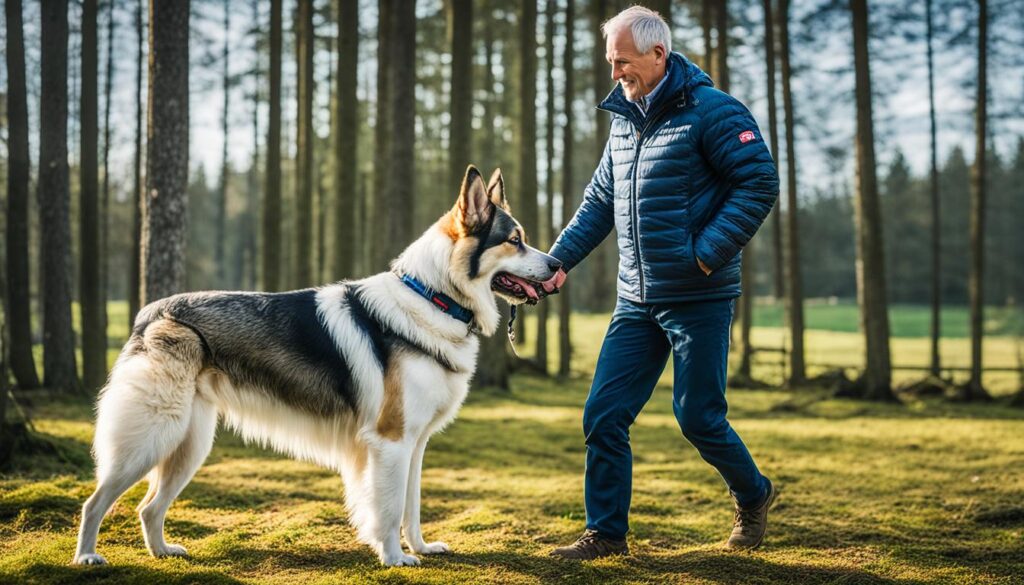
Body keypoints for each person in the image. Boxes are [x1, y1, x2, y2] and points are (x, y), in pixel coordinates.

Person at [542, 6, 780, 560]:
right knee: (603, 415)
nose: (615, 73)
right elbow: (601, 201)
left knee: (697, 417)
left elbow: (759, 182)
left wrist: (705, 256)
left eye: (622, 61)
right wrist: (558, 262)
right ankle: (606, 534)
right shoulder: (624, 118)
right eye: (610, 61)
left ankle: (753, 493)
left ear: (658, 54)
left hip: (699, 296)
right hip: (636, 300)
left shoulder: (713, 112)